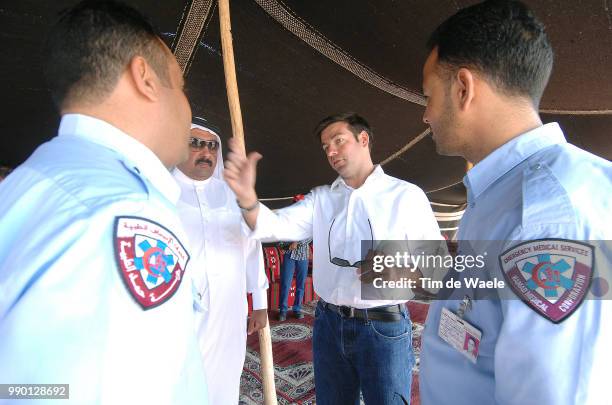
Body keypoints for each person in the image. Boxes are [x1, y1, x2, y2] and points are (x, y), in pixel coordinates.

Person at [0, 1, 207, 403]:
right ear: (145, 77)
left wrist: (372, 304)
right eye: (180, 87)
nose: (187, 107)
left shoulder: (30, 180)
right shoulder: (125, 214)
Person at [419, 1, 612, 404]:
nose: (426, 115)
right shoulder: (504, 193)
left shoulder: (546, 219)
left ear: (463, 89)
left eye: (429, 95)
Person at [223, 112, 442, 404]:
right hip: (328, 323)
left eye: (339, 141)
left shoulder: (405, 196)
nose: (332, 152)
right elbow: (274, 226)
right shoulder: (322, 199)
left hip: (383, 326)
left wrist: (400, 274)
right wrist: (248, 199)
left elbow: (438, 269)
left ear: (363, 139)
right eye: (326, 147)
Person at [173, 117, 269, 405]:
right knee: (180, 380)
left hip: (229, 310)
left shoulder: (234, 196)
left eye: (212, 145)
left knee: (225, 379)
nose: (206, 151)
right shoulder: (160, 192)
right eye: (196, 143)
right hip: (180, 313)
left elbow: (253, 247)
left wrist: (260, 302)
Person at [278, 233, 312, 321]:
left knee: (300, 284)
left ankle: (297, 309)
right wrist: (283, 246)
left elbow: (310, 235)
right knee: (285, 283)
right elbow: (281, 234)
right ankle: (283, 310)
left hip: (303, 255)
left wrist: (297, 242)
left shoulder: (307, 220)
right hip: (289, 253)